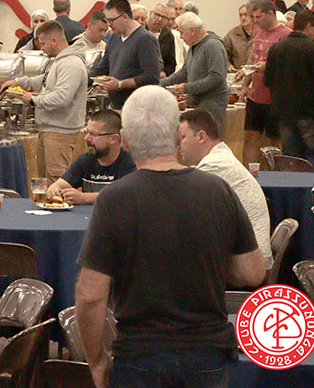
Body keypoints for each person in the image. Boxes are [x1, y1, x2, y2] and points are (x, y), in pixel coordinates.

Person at [75, 86, 265, 388]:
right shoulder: (217, 190)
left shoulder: (114, 199)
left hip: (139, 353)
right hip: (207, 352)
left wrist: (96, 360)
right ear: (177, 138)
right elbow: (252, 272)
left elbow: (90, 296)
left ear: (125, 140)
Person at [179, 108, 273, 268]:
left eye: (182, 137)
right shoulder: (219, 158)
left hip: (249, 267)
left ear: (201, 137)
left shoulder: (214, 167)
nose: (178, 145)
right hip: (247, 257)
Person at [1, 21, 88, 183]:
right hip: (49, 130)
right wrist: (19, 82)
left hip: (60, 133)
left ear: (54, 40)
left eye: (43, 43)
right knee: (44, 182)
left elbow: (62, 97)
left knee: (56, 182)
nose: (41, 48)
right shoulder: (60, 61)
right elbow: (45, 80)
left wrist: (32, 100)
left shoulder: (71, 64)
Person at [264, 9, 314, 167]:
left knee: (290, 157)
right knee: (313, 153)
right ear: (308, 26)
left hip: (283, 112)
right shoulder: (312, 48)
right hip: (308, 112)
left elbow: (267, 80)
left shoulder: (276, 48)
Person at [238, 0, 292, 164]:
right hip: (256, 95)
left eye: (258, 17)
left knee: (276, 139)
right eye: (253, 17)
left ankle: (277, 172)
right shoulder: (259, 31)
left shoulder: (285, 35)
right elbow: (252, 58)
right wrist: (245, 84)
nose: (255, 21)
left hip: (274, 97)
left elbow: (287, 66)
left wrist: (267, 66)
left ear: (270, 14)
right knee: (250, 136)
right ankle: (250, 173)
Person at [45, 110, 135, 205]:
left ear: (114, 139)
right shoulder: (85, 160)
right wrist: (54, 190)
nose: (87, 138)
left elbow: (127, 195)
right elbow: (59, 185)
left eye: (93, 134)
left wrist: (85, 198)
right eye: (87, 132)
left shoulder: (131, 162)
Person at [90, 0, 162, 110]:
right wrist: (83, 80)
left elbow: (152, 77)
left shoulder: (145, 39)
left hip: (137, 108)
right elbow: (103, 68)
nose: (109, 25)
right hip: (116, 106)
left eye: (111, 20)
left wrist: (120, 84)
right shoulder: (114, 38)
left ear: (125, 17)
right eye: (107, 21)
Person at [161, 12, 229, 124]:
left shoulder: (213, 46)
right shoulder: (193, 46)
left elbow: (216, 78)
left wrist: (187, 87)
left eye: (182, 33)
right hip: (199, 102)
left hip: (212, 103)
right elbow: (184, 72)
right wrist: (163, 83)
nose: (181, 37)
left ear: (192, 31)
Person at [224, 4, 254, 72]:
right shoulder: (232, 34)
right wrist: (228, 65)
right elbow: (223, 53)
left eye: (245, 15)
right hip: (238, 73)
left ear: (252, 16)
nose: (243, 18)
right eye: (240, 15)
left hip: (256, 74)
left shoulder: (260, 32)